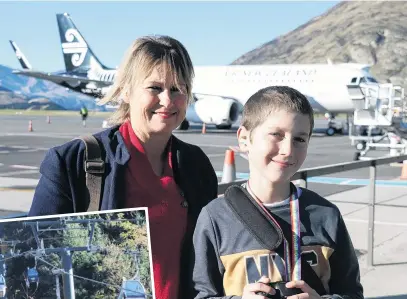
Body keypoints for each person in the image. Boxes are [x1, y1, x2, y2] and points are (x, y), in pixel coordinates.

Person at [28, 35, 219, 299]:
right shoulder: (71, 163)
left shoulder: (196, 166)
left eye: (177, 89)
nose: (167, 100)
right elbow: (38, 258)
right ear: (127, 90)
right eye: (154, 88)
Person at [190, 86, 364, 299]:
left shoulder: (326, 215)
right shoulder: (216, 217)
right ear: (244, 138)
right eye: (276, 134)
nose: (288, 150)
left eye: (299, 139)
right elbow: (201, 294)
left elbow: (352, 292)